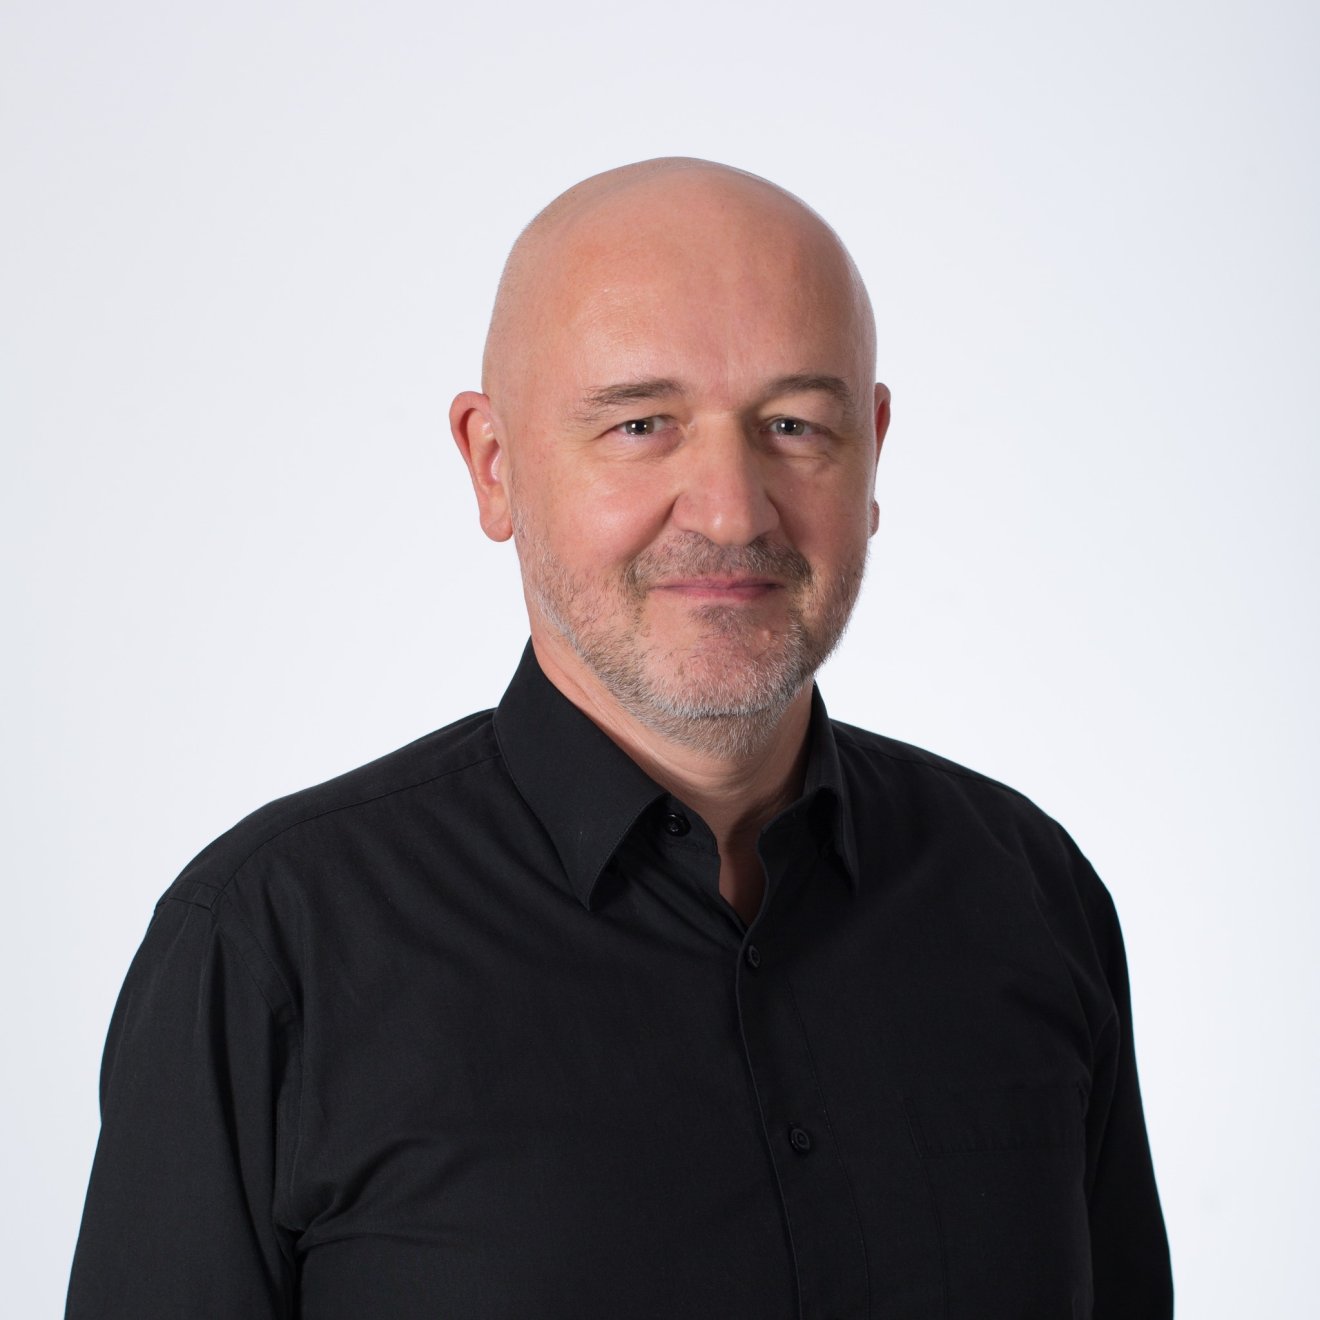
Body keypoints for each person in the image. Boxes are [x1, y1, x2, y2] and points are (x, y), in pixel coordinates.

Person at [65, 158, 1172, 1319]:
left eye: (793, 425)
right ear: (495, 466)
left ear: (873, 451)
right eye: (642, 424)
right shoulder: (270, 946)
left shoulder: (1028, 895)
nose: (732, 510)